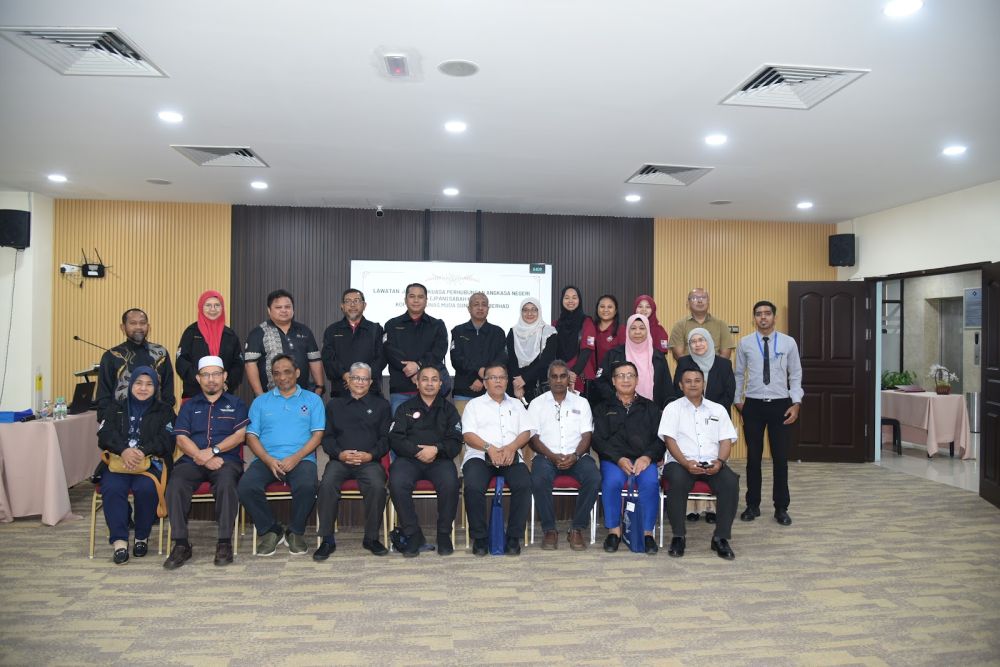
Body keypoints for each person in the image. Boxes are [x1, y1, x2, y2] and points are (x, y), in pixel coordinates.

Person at [163, 356, 248, 569]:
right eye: (206, 375)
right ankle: (181, 544)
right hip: (192, 460)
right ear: (198, 378)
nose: (211, 379)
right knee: (175, 484)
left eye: (216, 374)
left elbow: (239, 436)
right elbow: (181, 438)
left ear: (224, 376)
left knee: (227, 484)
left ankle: (224, 542)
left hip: (226, 460)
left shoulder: (236, 403)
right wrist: (201, 456)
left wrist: (213, 451)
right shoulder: (189, 406)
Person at [237, 355, 324, 556]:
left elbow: (318, 435)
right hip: (266, 459)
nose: (282, 377)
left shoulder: (313, 400)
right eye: (276, 373)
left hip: (301, 459)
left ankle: (295, 531)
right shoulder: (260, 402)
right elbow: (251, 436)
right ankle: (271, 530)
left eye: (287, 372)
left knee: (307, 486)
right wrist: (268, 460)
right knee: (246, 487)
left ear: (297, 373)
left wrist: (296, 457)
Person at [659, 367, 741, 560]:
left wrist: (720, 462)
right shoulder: (673, 409)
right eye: (688, 381)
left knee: (730, 482)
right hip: (680, 462)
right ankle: (679, 536)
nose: (693, 384)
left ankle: (720, 538)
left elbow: (726, 440)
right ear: (681, 386)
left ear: (704, 384)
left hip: (712, 463)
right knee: (677, 481)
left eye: (697, 380)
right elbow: (669, 441)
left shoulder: (718, 409)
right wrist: (686, 463)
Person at [97, 366, 175, 564]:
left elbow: (167, 439)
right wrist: (124, 450)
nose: (143, 388)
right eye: (139, 383)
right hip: (118, 463)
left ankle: (141, 536)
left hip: (149, 464)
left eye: (149, 384)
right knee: (112, 487)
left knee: (146, 488)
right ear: (131, 385)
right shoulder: (116, 407)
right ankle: (120, 542)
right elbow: (104, 435)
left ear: (155, 388)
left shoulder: (165, 410)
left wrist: (142, 451)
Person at [734, 300, 803, 526]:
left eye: (767, 313)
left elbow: (795, 374)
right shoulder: (745, 343)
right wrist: (738, 401)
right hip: (753, 405)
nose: (763, 317)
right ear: (753, 318)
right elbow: (738, 374)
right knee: (753, 458)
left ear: (774, 317)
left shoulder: (788, 342)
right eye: (758, 314)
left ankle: (781, 507)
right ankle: (752, 505)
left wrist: (796, 403)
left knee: (780, 459)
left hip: (781, 405)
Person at [314, 362, 392, 560]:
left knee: (377, 486)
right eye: (356, 378)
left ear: (371, 382)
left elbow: (386, 440)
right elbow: (327, 438)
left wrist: (370, 455)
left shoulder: (382, 405)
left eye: (364, 379)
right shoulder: (334, 405)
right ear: (348, 380)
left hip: (369, 461)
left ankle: (371, 538)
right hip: (340, 461)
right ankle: (327, 539)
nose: (360, 382)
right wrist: (340, 454)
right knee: (326, 484)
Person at [388, 366, 463, 557]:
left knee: (450, 483)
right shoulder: (404, 408)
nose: (430, 383)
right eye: (425, 379)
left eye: (434, 379)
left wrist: (436, 449)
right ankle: (413, 534)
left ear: (440, 383)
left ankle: (443, 534)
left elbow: (455, 441)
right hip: (409, 459)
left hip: (440, 459)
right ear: (417, 382)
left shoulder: (449, 410)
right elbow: (395, 438)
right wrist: (417, 451)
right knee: (397, 481)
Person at [593, 360, 664, 555]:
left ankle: (647, 533)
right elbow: (598, 440)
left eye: (630, 375)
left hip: (643, 460)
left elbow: (660, 439)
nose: (626, 380)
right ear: (613, 381)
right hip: (614, 460)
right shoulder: (602, 408)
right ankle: (614, 531)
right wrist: (618, 458)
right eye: (621, 376)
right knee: (612, 482)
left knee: (650, 483)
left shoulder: (650, 408)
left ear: (637, 380)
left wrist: (647, 457)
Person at [461, 363, 533, 556]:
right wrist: (489, 448)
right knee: (473, 486)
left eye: (502, 377)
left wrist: (511, 447)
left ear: (507, 381)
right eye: (493, 378)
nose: (498, 381)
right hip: (480, 454)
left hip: (510, 454)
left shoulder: (517, 404)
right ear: (485, 383)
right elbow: (468, 435)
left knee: (524, 483)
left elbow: (526, 432)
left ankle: (513, 537)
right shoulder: (474, 405)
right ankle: (480, 538)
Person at [528, 360, 600, 551]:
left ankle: (576, 528)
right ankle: (549, 530)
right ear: (548, 379)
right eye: (554, 376)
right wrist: (552, 456)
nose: (559, 380)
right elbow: (533, 438)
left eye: (562, 376)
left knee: (594, 477)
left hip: (577, 457)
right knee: (538, 478)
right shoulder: (536, 404)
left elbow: (587, 436)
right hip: (546, 456)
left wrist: (575, 456)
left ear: (569, 379)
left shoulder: (581, 402)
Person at [672, 327, 736, 523]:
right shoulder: (684, 362)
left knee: (714, 462)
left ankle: (711, 509)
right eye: (693, 341)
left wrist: (711, 412)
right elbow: (677, 390)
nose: (697, 344)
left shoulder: (724, 364)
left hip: (715, 420)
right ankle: (691, 509)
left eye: (701, 340)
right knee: (691, 459)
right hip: (688, 418)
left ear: (709, 341)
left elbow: (729, 392)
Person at [244, 289, 325, 397]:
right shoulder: (258, 333)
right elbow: (250, 365)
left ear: (293, 309)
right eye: (278, 307)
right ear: (269, 310)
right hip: (270, 397)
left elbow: (315, 360)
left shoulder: (304, 331)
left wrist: (319, 387)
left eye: (287, 307)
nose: (284, 310)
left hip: (301, 396)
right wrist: (260, 395)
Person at [96, 308, 175, 420]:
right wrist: (108, 420)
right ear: (123, 327)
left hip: (155, 419)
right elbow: (103, 395)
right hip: (121, 419)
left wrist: (164, 417)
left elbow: (168, 392)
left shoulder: (160, 353)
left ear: (148, 326)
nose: (138, 327)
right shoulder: (112, 356)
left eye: (142, 323)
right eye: (133, 323)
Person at [384, 282, 450, 415]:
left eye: (420, 297)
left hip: (430, 392)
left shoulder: (437, 325)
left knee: (430, 427)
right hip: (400, 390)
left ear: (426, 300)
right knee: (400, 427)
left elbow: (438, 352)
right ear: (405, 300)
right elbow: (390, 351)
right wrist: (412, 371)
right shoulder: (392, 324)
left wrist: (419, 366)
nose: (416, 300)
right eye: (412, 296)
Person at [595, 314, 676, 408]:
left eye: (642, 328)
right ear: (627, 331)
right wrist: (615, 398)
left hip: (652, 411)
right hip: (620, 410)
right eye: (633, 328)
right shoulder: (614, 355)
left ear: (648, 330)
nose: (637, 332)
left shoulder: (658, 357)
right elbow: (600, 381)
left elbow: (666, 386)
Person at [175, 291, 244, 401]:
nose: (213, 309)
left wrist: (225, 382)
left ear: (222, 308)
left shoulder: (230, 335)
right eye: (208, 305)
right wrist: (202, 380)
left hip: (224, 395)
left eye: (217, 305)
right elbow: (181, 361)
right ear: (201, 307)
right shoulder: (191, 332)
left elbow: (238, 364)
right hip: (194, 395)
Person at [320, 288, 386, 399]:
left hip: (371, 392)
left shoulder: (376, 329)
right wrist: (345, 375)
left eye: (356, 300)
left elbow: (381, 358)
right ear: (342, 306)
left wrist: (362, 378)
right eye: (348, 301)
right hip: (342, 391)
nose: (352, 304)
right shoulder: (332, 330)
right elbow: (328, 358)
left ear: (364, 305)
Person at [450, 292, 506, 415]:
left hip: (491, 393)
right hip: (464, 391)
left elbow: (501, 359)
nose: (480, 308)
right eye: (476, 304)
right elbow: (456, 359)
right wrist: (475, 374)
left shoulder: (498, 332)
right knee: (464, 426)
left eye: (484, 305)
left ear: (488, 309)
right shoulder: (458, 331)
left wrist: (483, 378)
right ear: (469, 308)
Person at [506, 297, 558, 404]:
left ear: (539, 311)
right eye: (525, 310)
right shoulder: (513, 332)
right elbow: (511, 361)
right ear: (521, 312)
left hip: (539, 386)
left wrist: (524, 379)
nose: (529, 313)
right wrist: (517, 385)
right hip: (517, 389)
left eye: (534, 309)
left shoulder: (549, 332)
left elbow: (546, 362)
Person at [669, 288, 736, 361]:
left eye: (703, 298)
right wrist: (693, 368)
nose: (700, 301)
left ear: (708, 302)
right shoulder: (679, 326)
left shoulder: (721, 325)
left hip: (716, 367)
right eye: (694, 298)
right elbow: (678, 355)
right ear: (688, 303)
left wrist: (712, 367)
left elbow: (725, 354)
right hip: (687, 367)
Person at [580, 294, 624, 401]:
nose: (605, 310)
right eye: (602, 306)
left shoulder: (621, 330)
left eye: (610, 307)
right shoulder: (590, 328)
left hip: (612, 383)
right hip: (591, 383)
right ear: (597, 309)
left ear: (615, 310)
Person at [552, 285, 592, 393]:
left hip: (578, 376)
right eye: (567, 297)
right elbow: (552, 352)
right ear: (562, 300)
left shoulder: (587, 322)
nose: (570, 301)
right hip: (559, 377)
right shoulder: (555, 325)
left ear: (579, 300)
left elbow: (587, 351)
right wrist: (563, 373)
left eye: (574, 297)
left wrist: (573, 373)